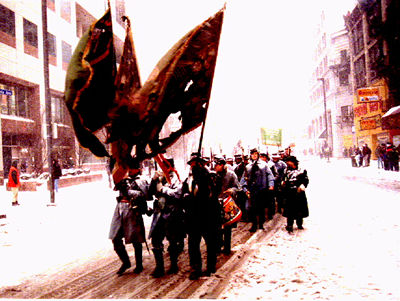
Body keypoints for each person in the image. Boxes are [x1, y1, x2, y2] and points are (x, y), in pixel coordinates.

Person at [108, 158, 151, 276]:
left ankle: (139, 264)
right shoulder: (123, 179)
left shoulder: (141, 181)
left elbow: (143, 195)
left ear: (137, 169)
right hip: (120, 209)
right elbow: (117, 186)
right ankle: (125, 262)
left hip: (133, 210)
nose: (129, 170)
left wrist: (129, 191)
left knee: (136, 239)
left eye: (131, 168)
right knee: (115, 237)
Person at [181, 153, 220, 280]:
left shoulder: (211, 176)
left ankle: (211, 266)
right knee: (193, 244)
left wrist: (202, 175)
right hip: (193, 216)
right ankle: (195, 268)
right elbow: (183, 193)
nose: (193, 166)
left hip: (208, 215)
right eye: (192, 164)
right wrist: (185, 198)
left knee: (211, 242)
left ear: (202, 164)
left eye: (196, 164)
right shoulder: (188, 180)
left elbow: (209, 192)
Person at [148, 158, 185, 277]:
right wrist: (153, 181)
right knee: (156, 240)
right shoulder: (158, 178)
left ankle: (174, 264)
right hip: (159, 212)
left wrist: (163, 189)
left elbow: (178, 195)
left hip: (172, 212)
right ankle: (159, 267)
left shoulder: (177, 178)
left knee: (173, 240)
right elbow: (149, 195)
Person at [241, 148, 274, 232]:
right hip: (252, 190)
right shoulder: (248, 167)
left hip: (261, 189)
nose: (254, 156)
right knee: (251, 208)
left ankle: (261, 224)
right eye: (252, 154)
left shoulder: (264, 165)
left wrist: (271, 185)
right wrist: (245, 189)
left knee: (261, 208)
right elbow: (243, 180)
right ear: (250, 155)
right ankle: (254, 224)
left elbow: (270, 175)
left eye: (256, 154)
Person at [214, 157, 240, 255]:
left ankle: (227, 248)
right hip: (216, 203)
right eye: (216, 165)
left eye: (218, 165)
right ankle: (218, 246)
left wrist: (232, 190)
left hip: (227, 202)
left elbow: (237, 187)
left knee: (227, 226)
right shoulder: (214, 175)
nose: (217, 167)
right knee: (216, 227)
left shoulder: (231, 174)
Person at [281, 156, 309, 233]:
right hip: (289, 192)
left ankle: (299, 223)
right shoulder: (286, 170)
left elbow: (305, 179)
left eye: (289, 161)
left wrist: (303, 185)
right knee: (289, 209)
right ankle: (289, 225)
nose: (287, 163)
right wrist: (283, 183)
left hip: (298, 191)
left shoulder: (301, 170)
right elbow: (284, 179)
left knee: (299, 208)